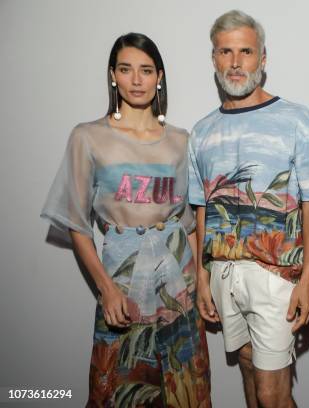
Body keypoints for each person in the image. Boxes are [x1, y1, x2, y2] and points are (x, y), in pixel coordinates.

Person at [41, 33, 211, 407]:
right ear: (113, 76)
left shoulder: (182, 141)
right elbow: (76, 223)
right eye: (126, 69)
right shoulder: (88, 137)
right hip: (122, 277)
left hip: (177, 280)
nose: (137, 80)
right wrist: (106, 288)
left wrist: (200, 281)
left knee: (184, 387)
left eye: (146, 71)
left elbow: (191, 223)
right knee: (120, 387)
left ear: (159, 77)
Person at [188, 10, 309, 408]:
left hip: (277, 277)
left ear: (262, 59)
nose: (236, 62)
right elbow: (202, 208)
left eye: (246, 51)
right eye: (225, 52)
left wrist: (308, 278)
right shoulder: (201, 132)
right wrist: (202, 275)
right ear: (214, 59)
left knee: (272, 395)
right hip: (224, 274)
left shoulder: (298, 120)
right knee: (247, 369)